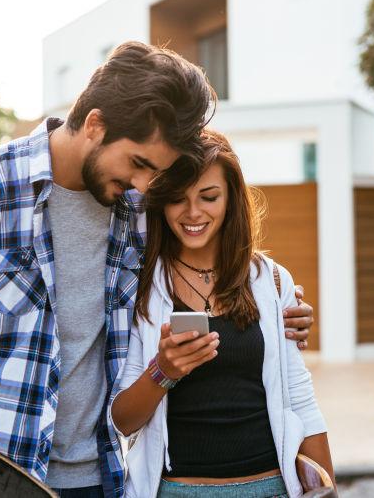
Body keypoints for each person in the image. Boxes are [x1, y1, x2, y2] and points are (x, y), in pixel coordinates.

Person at [0, 41, 316, 498]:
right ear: (95, 124)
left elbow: (211, 260)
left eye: (155, 173)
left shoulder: (139, 209)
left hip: (103, 479)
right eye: (139, 163)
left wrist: (279, 312)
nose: (143, 185)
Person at [111, 130, 333, 498]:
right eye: (178, 199)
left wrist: (328, 486)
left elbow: (301, 400)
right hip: (178, 491)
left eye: (209, 196)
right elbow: (122, 420)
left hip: (271, 488)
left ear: (231, 198)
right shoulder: (144, 288)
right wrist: (162, 371)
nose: (193, 212)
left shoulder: (272, 280)